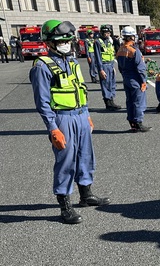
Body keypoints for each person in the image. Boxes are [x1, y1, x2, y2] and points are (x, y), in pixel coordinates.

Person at [29, 20, 110, 224]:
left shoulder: (72, 61)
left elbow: (80, 90)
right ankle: (65, 205)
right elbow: (42, 102)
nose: (67, 44)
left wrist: (87, 114)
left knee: (86, 156)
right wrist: (52, 128)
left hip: (80, 115)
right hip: (62, 118)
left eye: (68, 40)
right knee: (65, 160)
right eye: (62, 40)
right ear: (50, 43)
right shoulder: (42, 66)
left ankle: (86, 194)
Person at [116, 26, 152, 132]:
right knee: (138, 101)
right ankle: (138, 122)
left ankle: (132, 122)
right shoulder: (134, 50)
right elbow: (140, 68)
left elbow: (120, 67)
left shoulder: (120, 49)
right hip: (135, 79)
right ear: (132, 37)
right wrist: (143, 81)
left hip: (126, 78)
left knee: (130, 101)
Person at [94, 24, 121, 111]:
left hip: (110, 65)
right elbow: (98, 57)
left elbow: (111, 54)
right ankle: (108, 103)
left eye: (108, 32)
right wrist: (100, 70)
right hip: (104, 65)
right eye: (105, 32)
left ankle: (112, 101)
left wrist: (113, 66)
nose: (107, 34)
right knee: (106, 84)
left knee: (112, 84)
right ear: (102, 32)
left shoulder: (109, 41)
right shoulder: (98, 42)